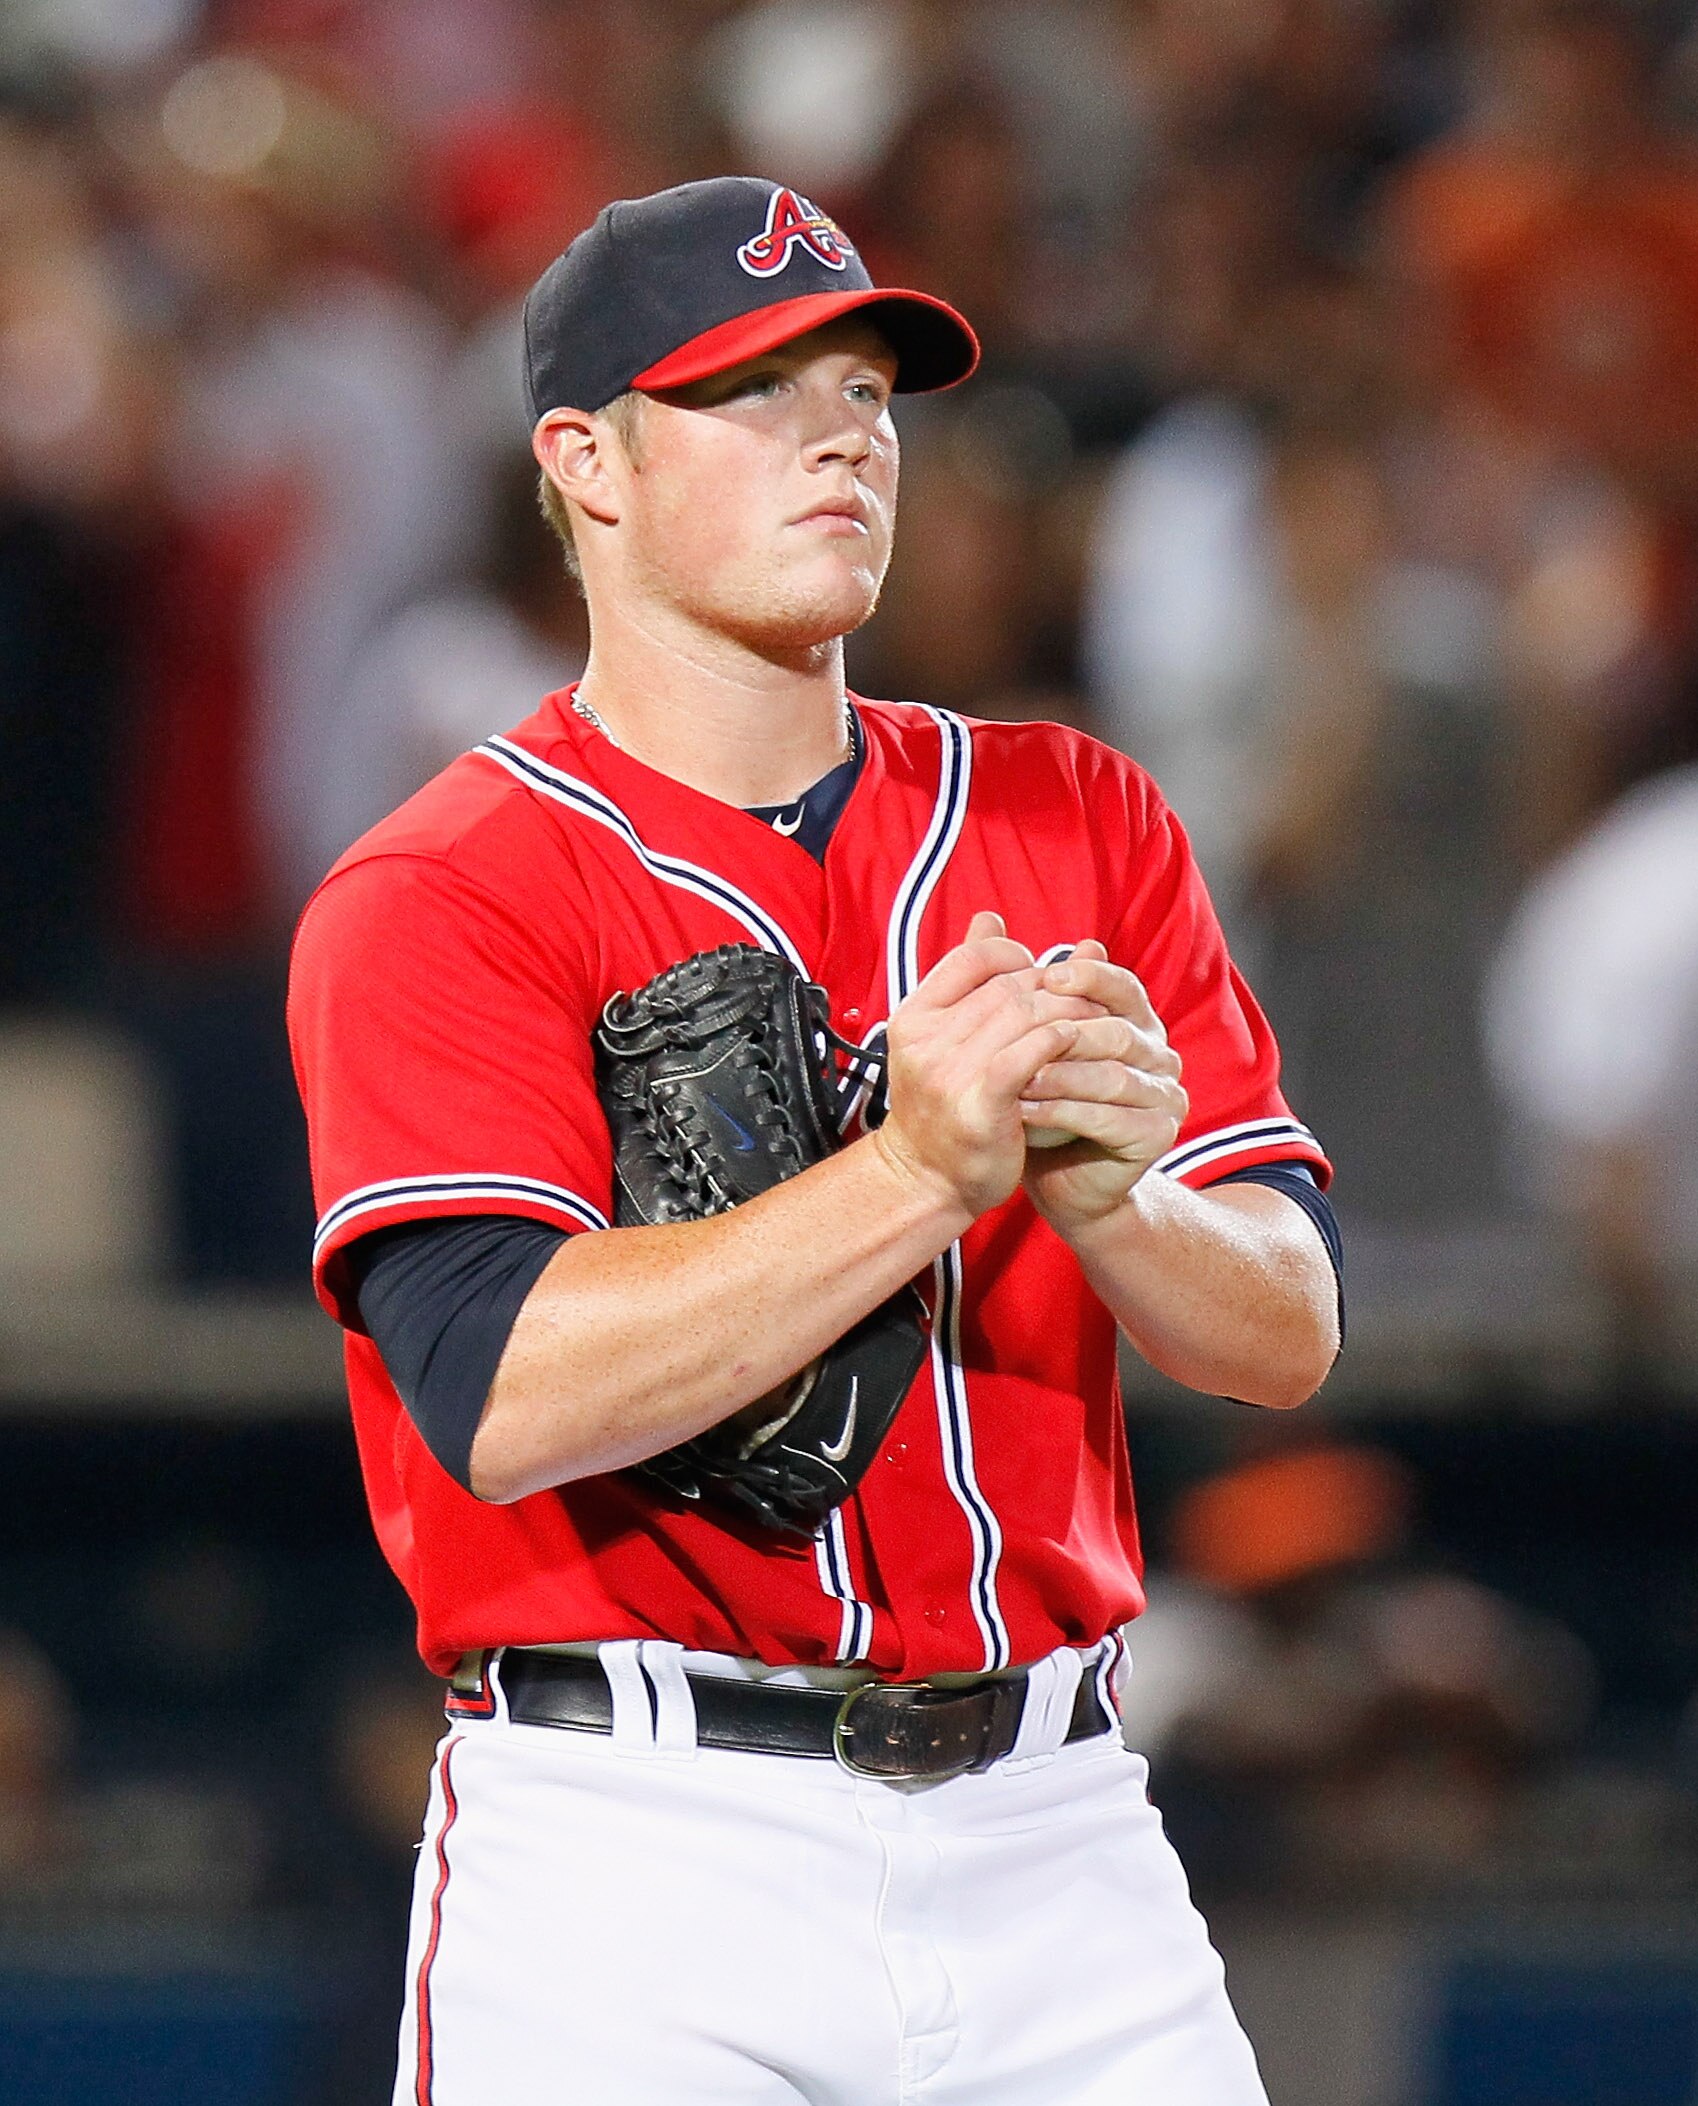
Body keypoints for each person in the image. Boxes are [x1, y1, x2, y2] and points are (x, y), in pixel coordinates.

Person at [288, 176, 1342, 2105]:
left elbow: (1282, 1327)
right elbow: (507, 1392)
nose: (842, 432)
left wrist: (1121, 1211)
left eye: (861, 388)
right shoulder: (440, 888)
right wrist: (916, 1174)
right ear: (586, 462)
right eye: (753, 391)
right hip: (633, 1847)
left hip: (1058, 1827)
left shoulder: (1073, 816)